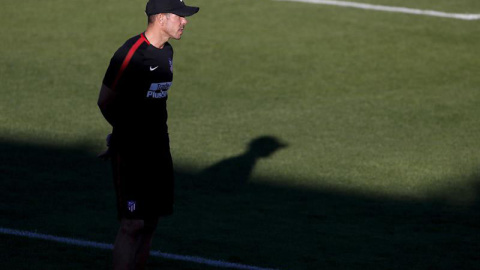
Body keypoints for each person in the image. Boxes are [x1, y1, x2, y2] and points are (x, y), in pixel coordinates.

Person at [97, 0, 199, 269]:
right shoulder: (131, 53)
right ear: (161, 19)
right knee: (132, 224)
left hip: (159, 149)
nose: (185, 21)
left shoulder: (167, 53)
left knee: (151, 222)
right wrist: (122, 135)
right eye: (180, 17)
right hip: (132, 152)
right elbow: (105, 100)